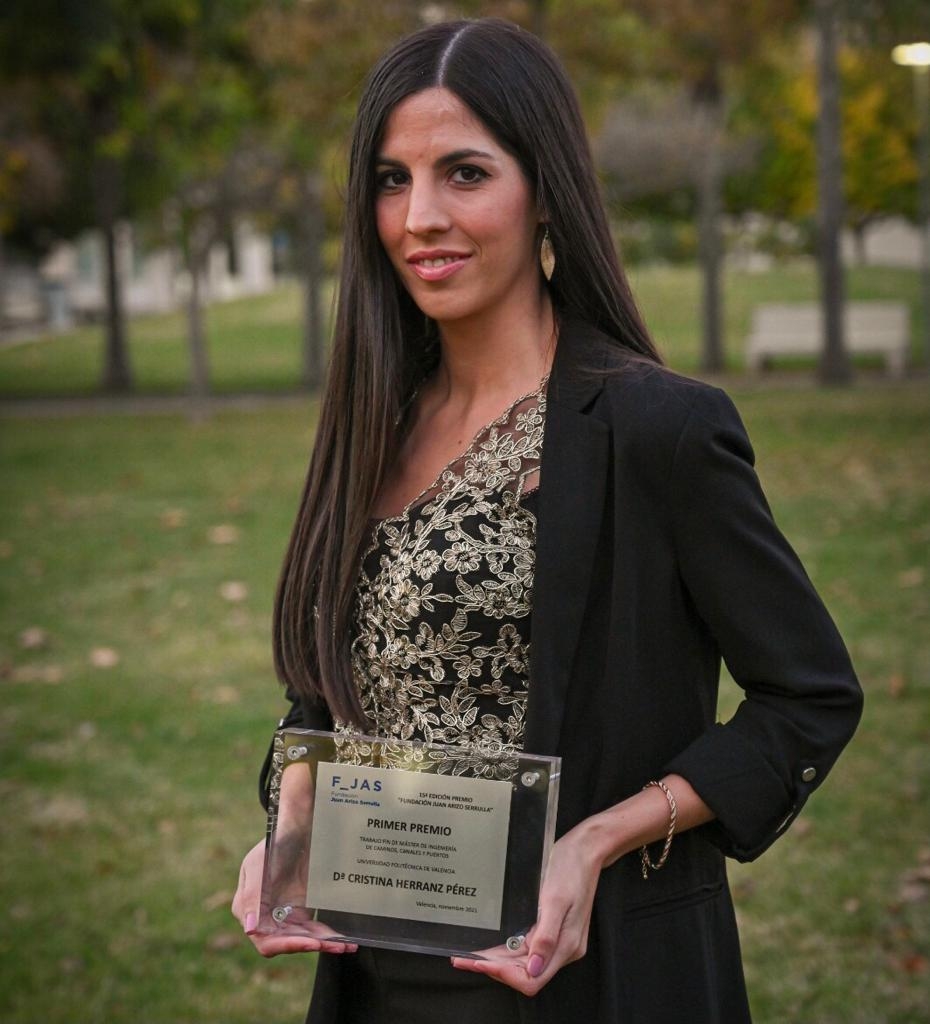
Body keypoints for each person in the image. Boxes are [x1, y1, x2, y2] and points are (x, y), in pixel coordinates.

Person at [231, 17, 862, 1024]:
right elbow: (334, 691)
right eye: (393, 179)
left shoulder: (658, 428)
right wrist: (296, 817)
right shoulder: (375, 422)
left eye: (465, 174)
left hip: (587, 973)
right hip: (377, 975)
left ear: (545, 191)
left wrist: (598, 840)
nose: (420, 216)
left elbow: (810, 698)